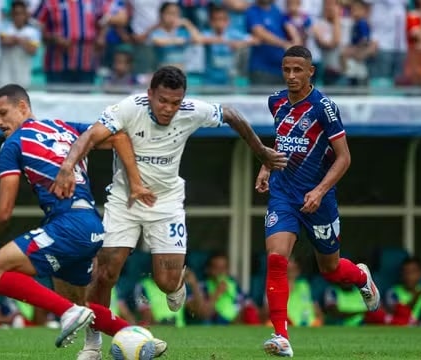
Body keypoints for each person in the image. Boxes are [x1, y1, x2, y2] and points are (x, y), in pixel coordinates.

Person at [52, 65, 287, 359]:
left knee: (165, 282)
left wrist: (261, 152)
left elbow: (231, 114)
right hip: (124, 200)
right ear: (150, 94)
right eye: (162, 100)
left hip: (167, 203)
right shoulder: (128, 108)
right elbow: (89, 136)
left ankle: (176, 284)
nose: (168, 108)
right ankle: (93, 345)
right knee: (104, 273)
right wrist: (67, 166)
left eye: (175, 102)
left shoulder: (191, 111)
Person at [0, 84, 165, 352]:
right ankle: (131, 336)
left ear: (23, 107)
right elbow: (119, 136)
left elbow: (4, 211)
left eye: (3, 113)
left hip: (68, 225)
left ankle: (68, 313)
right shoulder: (64, 127)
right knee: (81, 305)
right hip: (92, 226)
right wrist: (136, 183)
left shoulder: (13, 144)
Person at [254, 45, 380, 357]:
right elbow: (283, 140)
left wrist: (320, 190)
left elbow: (344, 158)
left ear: (311, 71)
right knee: (276, 258)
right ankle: (281, 336)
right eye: (287, 70)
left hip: (318, 199)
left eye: (298, 70)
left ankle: (362, 277)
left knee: (331, 269)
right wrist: (266, 166)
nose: (291, 76)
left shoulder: (324, 107)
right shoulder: (276, 102)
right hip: (283, 194)